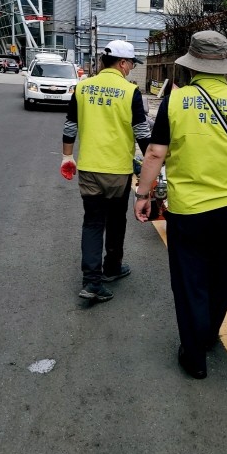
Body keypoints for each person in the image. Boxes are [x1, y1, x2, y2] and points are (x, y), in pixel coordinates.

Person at [134, 30, 227, 379]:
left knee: (189, 278)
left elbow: (156, 152)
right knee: (221, 272)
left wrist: (143, 196)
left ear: (191, 65)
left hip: (186, 208)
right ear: (225, 65)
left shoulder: (175, 100)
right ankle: (209, 334)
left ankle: (194, 356)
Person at [61, 40, 151, 302]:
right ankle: (112, 267)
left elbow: (70, 126)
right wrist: (152, 163)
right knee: (116, 220)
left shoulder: (82, 88)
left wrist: (67, 156)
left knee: (92, 222)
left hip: (88, 168)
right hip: (117, 172)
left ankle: (91, 281)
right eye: (132, 64)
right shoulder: (129, 91)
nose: (132, 69)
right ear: (122, 63)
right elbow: (142, 133)